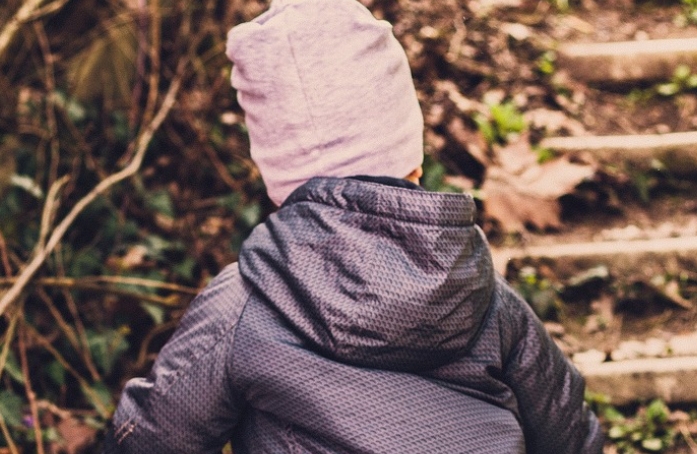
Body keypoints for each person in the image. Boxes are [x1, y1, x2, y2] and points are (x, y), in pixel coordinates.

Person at [103, 0, 604, 452]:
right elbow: (573, 439)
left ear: (278, 178)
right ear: (415, 158)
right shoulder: (485, 298)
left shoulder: (244, 305)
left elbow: (146, 441)